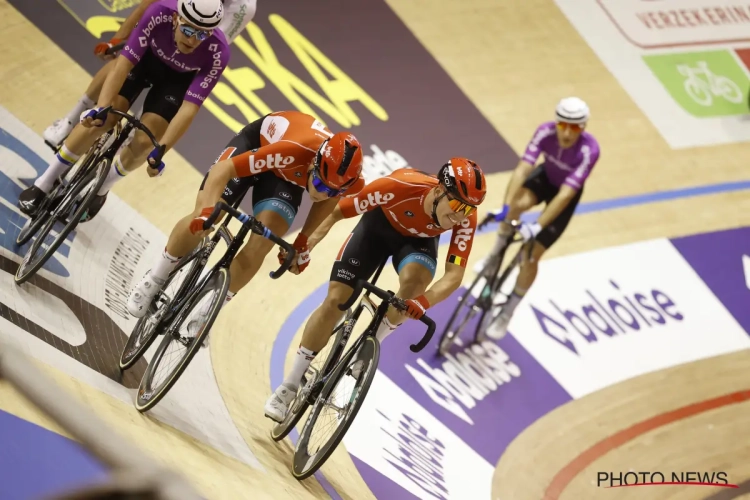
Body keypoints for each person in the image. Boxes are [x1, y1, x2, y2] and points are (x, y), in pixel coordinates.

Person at [264, 158, 488, 422]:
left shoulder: (465, 220)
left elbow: (454, 276)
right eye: (457, 204)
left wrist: (422, 304)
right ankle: (289, 386)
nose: (460, 215)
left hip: (417, 244)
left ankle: (366, 354)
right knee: (336, 301)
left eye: (469, 208)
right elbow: (337, 212)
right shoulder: (400, 186)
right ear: (439, 191)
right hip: (376, 231)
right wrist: (306, 245)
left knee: (416, 285)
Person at [126, 110, 366, 348]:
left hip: (287, 178)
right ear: (316, 162)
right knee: (209, 215)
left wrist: (302, 241)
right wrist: (208, 210)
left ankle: (209, 311)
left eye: (332, 190)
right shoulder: (294, 150)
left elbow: (329, 202)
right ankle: (155, 278)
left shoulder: (350, 181)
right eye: (318, 184)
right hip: (260, 148)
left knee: (262, 242)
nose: (321, 194)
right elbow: (224, 171)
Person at [18, 0, 231, 221]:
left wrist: (161, 151)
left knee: (145, 142)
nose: (192, 40)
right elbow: (123, 64)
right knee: (103, 118)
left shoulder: (219, 52)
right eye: (188, 30)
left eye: (202, 35)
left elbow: (189, 109)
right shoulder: (160, 13)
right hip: (145, 60)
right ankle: (43, 183)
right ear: (176, 19)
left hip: (175, 82)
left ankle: (100, 190)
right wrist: (100, 108)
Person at [42, 0, 257, 149]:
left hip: (187, 55)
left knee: (148, 125)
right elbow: (150, 4)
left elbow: (209, 45)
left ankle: (126, 140)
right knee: (122, 60)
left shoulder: (243, 7)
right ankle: (70, 120)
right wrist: (117, 40)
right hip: (165, 32)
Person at [478, 96, 601, 340]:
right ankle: (495, 255)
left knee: (530, 256)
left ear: (583, 127)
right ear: (555, 123)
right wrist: (506, 207)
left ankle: (507, 313)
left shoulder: (590, 150)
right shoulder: (544, 132)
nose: (566, 132)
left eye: (574, 127)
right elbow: (523, 168)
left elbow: (566, 194)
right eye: (562, 125)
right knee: (517, 204)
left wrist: (537, 227)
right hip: (545, 178)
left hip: (565, 193)